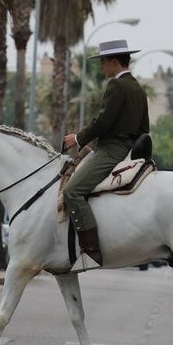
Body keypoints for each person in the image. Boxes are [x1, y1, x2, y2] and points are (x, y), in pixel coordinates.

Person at [62, 39, 149, 267]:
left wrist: (78, 138)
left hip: (111, 151)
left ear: (113, 61)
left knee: (72, 191)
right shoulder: (137, 88)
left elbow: (103, 122)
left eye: (103, 62)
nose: (102, 68)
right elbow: (144, 129)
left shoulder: (116, 86)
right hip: (129, 150)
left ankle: (91, 252)